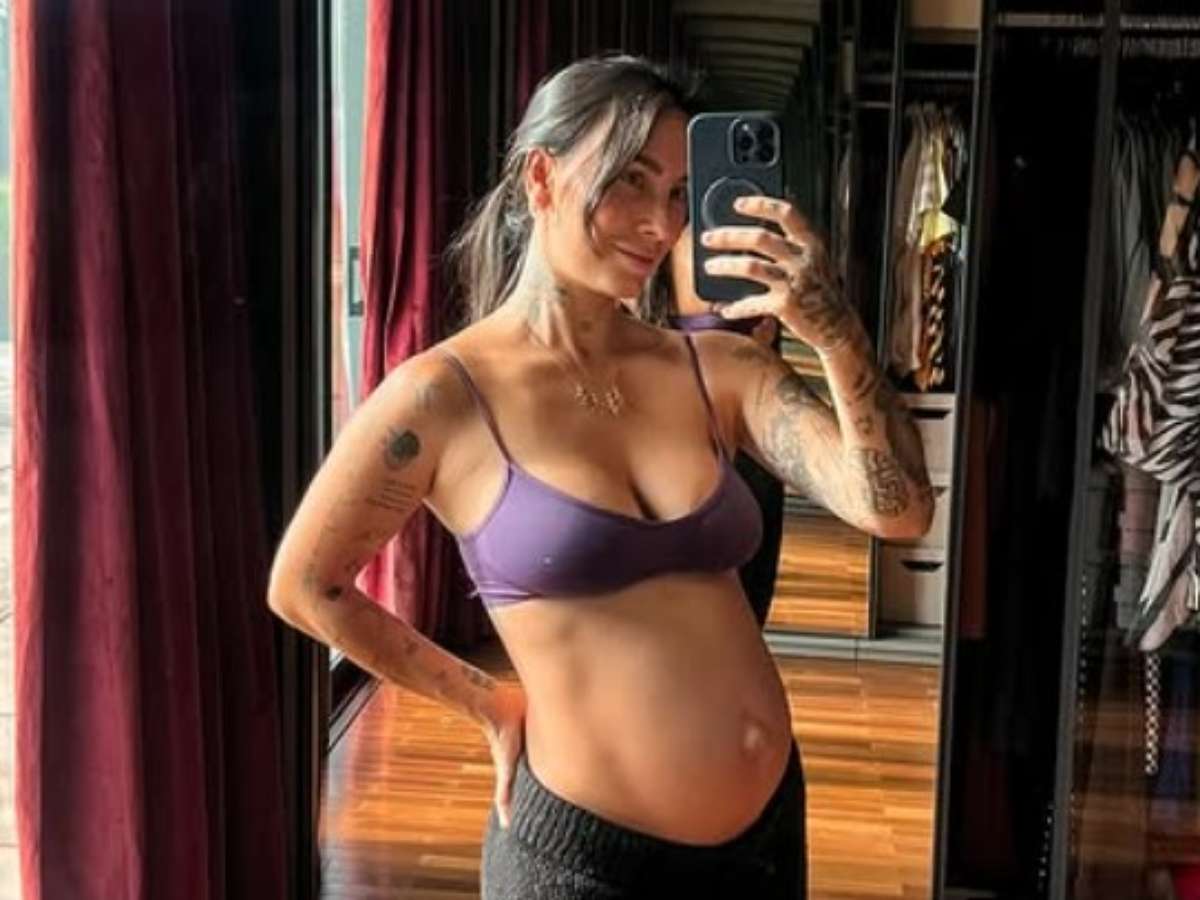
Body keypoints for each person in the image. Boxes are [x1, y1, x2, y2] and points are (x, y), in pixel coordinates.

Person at [267, 55, 933, 899]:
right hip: (585, 863)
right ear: (541, 177)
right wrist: (486, 702)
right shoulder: (443, 397)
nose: (660, 223)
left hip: (765, 842)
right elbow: (306, 585)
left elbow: (898, 510)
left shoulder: (718, 371)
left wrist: (834, 332)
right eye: (630, 181)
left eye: (680, 194)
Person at [637, 225, 787, 628]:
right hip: (672, 363)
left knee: (741, 599)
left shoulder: (757, 227)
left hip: (748, 392)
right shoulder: (672, 230)